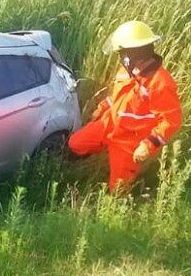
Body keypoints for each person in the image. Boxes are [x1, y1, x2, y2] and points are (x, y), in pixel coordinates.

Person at [68, 21, 182, 192]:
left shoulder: (160, 82)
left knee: (118, 189)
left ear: (132, 54)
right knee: (75, 143)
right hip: (109, 124)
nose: (120, 57)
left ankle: (118, 206)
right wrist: (102, 107)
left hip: (129, 141)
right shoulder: (126, 71)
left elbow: (171, 120)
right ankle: (92, 159)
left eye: (121, 53)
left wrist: (148, 145)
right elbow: (117, 97)